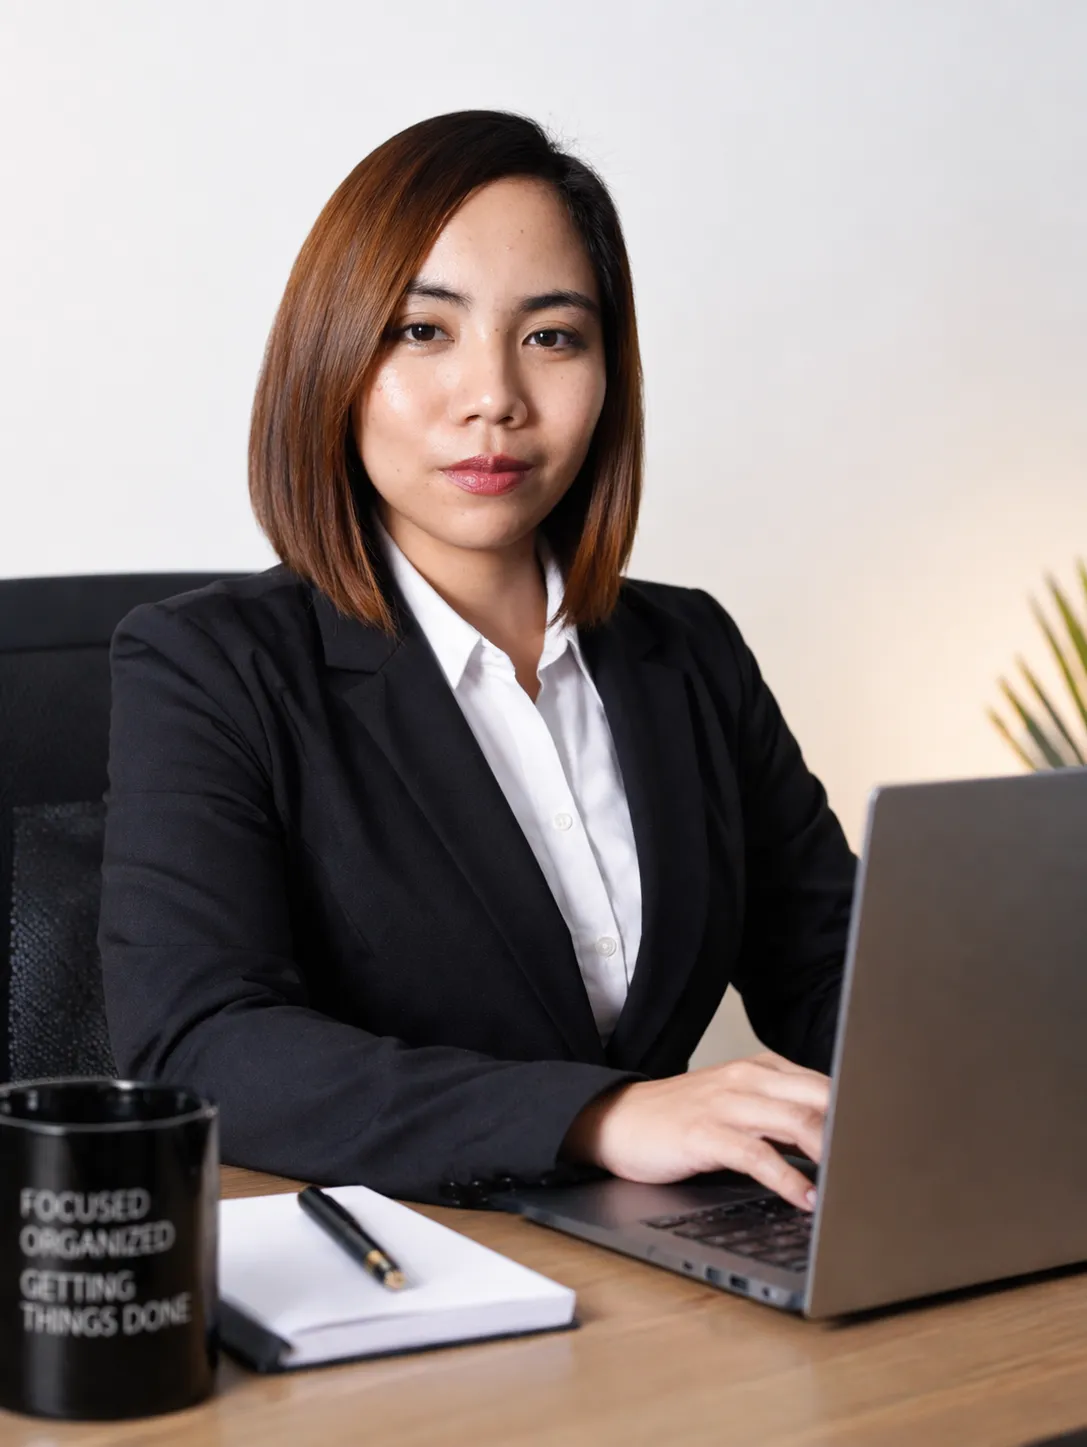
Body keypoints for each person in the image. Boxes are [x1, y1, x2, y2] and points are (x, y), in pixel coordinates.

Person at [98, 110, 856, 1212]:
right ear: (334, 360)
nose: (494, 396)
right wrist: (599, 1115)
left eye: (552, 336)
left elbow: (834, 970)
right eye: (422, 331)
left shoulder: (685, 651)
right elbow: (198, 1042)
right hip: (401, 1278)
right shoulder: (208, 665)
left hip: (673, 1265)